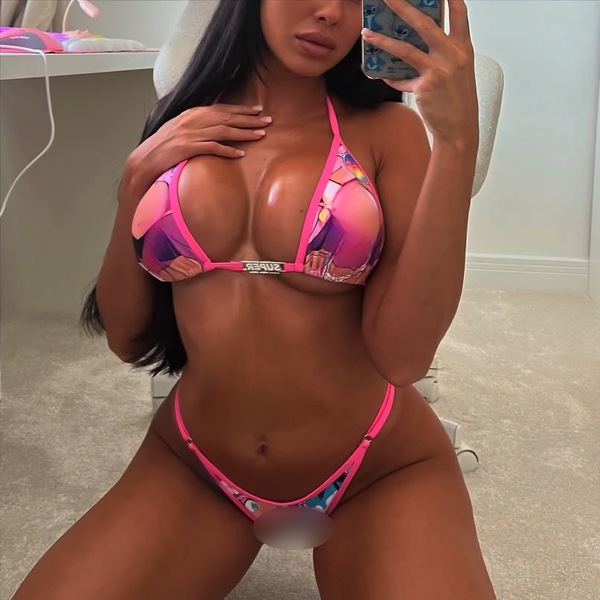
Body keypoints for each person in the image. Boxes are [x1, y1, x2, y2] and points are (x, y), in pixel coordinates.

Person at [12, 1, 496, 598]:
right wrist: (136, 174)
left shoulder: (387, 133)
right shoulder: (182, 123)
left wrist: (456, 142)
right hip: (195, 462)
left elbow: (403, 357)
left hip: (377, 465)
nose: (330, 13)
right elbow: (127, 339)